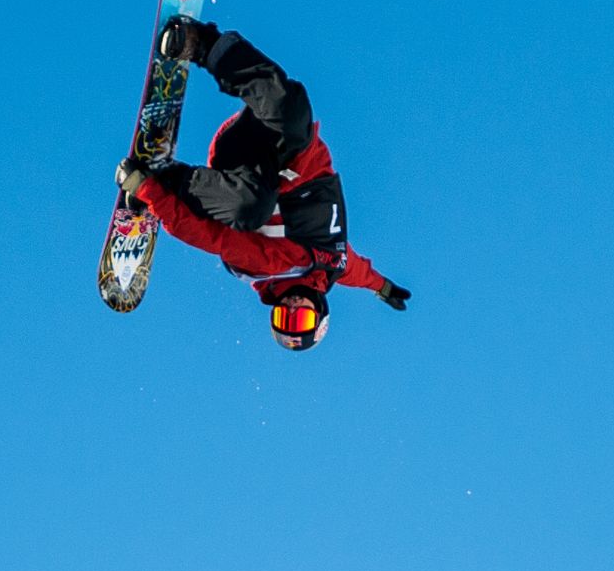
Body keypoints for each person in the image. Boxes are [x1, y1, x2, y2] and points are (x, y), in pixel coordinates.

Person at [116, 19, 411, 351]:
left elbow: (210, 238)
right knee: (294, 111)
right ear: (321, 315)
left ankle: (165, 176)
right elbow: (359, 272)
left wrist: (150, 192)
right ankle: (203, 45)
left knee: (250, 207)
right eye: (302, 321)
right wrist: (383, 288)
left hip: (239, 175)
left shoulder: (268, 267)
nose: (293, 310)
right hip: (279, 143)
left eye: (284, 319)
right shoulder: (334, 265)